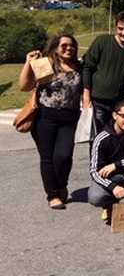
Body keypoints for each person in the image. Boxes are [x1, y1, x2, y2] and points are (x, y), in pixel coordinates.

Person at [19, 34, 83, 209]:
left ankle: (62, 184)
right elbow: (24, 86)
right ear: (55, 47)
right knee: (47, 158)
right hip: (45, 118)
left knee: (64, 155)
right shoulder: (46, 64)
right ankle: (52, 195)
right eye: (64, 45)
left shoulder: (78, 66)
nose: (68, 48)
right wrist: (28, 63)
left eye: (72, 46)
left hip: (69, 118)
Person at [82, 11, 124, 133]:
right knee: (98, 138)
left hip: (119, 104)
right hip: (98, 101)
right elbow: (87, 67)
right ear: (115, 27)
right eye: (120, 29)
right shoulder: (102, 42)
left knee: (117, 137)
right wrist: (86, 95)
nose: (123, 33)